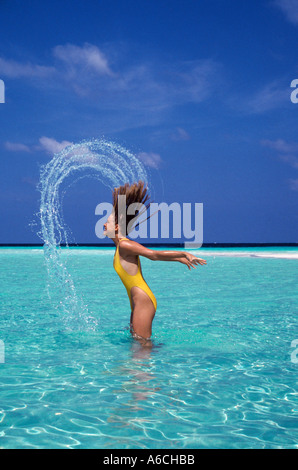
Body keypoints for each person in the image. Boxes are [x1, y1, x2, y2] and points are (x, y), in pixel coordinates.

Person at [103, 181, 207, 344]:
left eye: (107, 222)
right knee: (137, 343)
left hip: (143, 301)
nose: (103, 224)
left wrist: (184, 253)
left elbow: (153, 255)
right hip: (137, 301)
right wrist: (179, 259)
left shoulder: (125, 244)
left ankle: (160, 367)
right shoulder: (121, 246)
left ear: (116, 227)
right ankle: (142, 368)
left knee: (143, 345)